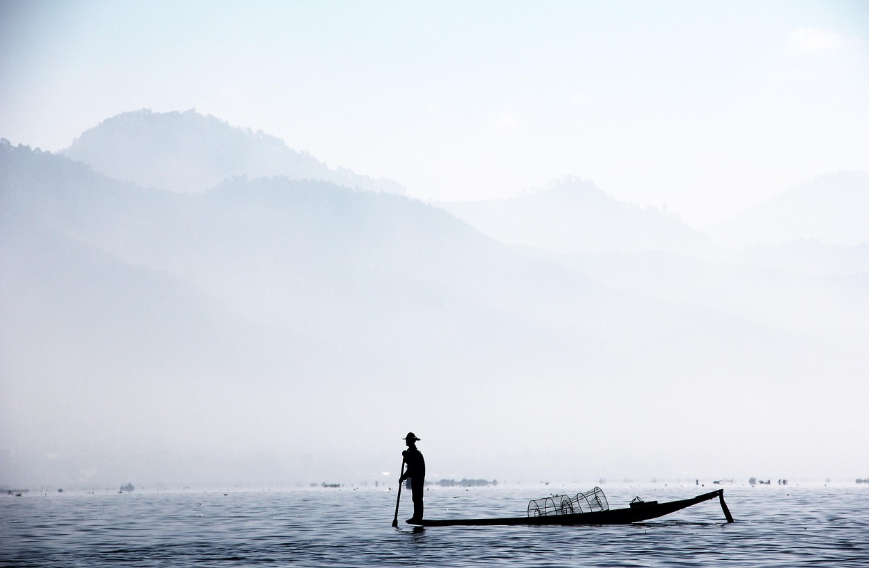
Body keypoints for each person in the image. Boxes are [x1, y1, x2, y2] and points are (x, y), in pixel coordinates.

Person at [398, 432, 425, 523]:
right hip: (415, 477)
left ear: (411, 441)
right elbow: (410, 464)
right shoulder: (411, 452)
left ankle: (418, 517)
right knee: (416, 497)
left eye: (407, 440)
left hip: (418, 477)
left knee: (417, 497)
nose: (406, 442)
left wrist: (403, 477)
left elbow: (412, 467)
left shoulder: (415, 453)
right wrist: (406, 457)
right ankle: (416, 516)